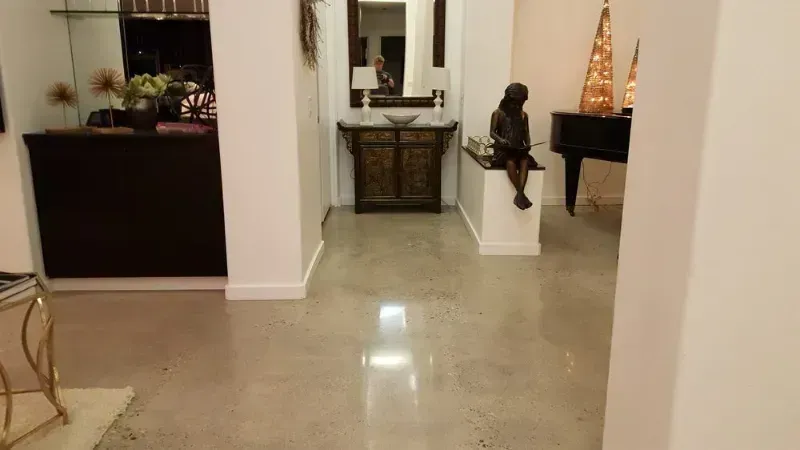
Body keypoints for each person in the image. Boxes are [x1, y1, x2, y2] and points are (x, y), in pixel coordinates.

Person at [490, 83, 539, 211]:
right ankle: (521, 194)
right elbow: (492, 133)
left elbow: (527, 133)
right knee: (510, 160)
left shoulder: (524, 115)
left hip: (518, 147)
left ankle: (520, 195)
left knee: (524, 160)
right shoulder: (498, 113)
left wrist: (528, 144)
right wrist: (501, 140)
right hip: (503, 148)